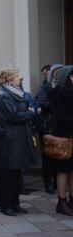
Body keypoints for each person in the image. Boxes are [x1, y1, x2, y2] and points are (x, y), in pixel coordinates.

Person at [0, 68, 37, 216]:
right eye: (17, 75)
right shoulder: (4, 95)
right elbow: (14, 116)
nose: (20, 78)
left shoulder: (14, 92)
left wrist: (26, 111)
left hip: (16, 137)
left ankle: (14, 203)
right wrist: (30, 112)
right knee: (8, 173)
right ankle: (6, 205)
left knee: (16, 172)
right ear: (10, 79)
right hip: (9, 139)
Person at [35, 64, 63, 195]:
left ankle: (58, 182)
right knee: (48, 156)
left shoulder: (64, 86)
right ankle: (48, 182)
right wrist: (57, 103)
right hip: (47, 125)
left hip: (59, 125)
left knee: (60, 155)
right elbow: (42, 102)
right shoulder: (44, 87)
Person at [49, 65, 73, 216]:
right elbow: (60, 115)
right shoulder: (57, 92)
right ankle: (61, 201)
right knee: (63, 170)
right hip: (63, 136)